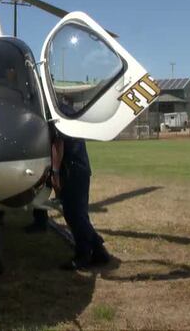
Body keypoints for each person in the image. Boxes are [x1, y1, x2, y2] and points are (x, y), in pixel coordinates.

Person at [51, 99, 117, 271]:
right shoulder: (65, 110)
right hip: (79, 168)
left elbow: (59, 143)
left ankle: (83, 255)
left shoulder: (57, 112)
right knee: (78, 214)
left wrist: (55, 173)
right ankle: (99, 251)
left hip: (72, 170)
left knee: (73, 215)